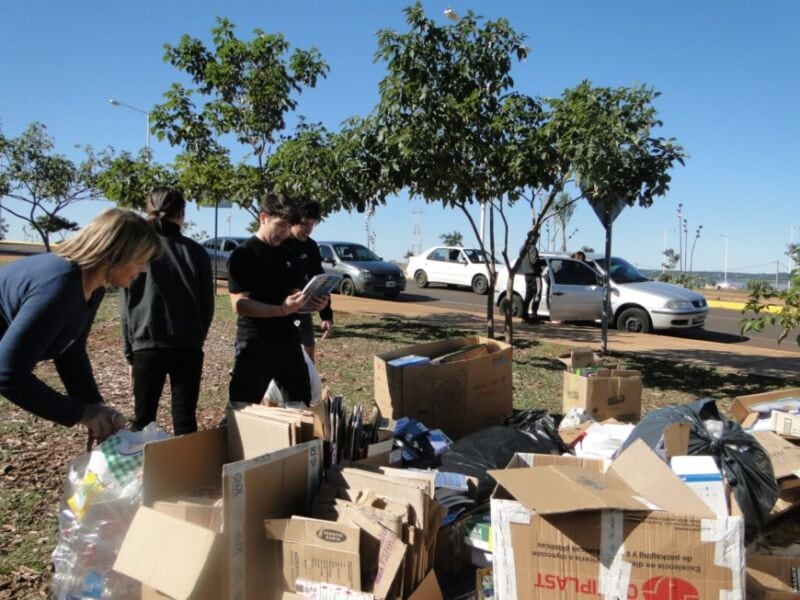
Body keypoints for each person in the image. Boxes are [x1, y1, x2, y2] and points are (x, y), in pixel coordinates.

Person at [0, 208, 162, 444]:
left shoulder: (92, 287)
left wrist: (95, 406)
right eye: (140, 260)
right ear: (116, 255)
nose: (144, 268)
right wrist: (81, 413)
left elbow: (71, 350)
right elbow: (7, 373)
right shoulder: (59, 286)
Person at [120, 187, 214, 435]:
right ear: (181, 214)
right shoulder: (196, 251)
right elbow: (207, 304)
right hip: (187, 345)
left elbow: (126, 304)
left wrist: (130, 352)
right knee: (185, 421)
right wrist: (198, 336)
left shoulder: (136, 250)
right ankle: (186, 461)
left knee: (142, 420)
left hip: (146, 344)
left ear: (147, 210)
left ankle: (139, 460)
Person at [227, 192, 329, 406]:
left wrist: (314, 303)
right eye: (280, 225)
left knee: (300, 403)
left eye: (288, 226)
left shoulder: (287, 253)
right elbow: (239, 304)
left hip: (288, 339)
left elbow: (294, 293)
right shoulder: (244, 254)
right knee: (242, 407)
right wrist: (281, 310)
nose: (284, 232)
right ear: (263, 217)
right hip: (256, 342)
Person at [282, 199, 333, 363]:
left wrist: (326, 314)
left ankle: (308, 378)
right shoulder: (278, 244)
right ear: (291, 221)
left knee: (308, 357)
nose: (308, 229)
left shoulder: (311, 246)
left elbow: (319, 278)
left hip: (302, 309)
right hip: (278, 311)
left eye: (312, 224)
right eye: (304, 224)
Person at [518, 242, 543, 323]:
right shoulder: (532, 247)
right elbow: (534, 261)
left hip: (527, 274)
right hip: (534, 274)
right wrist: (542, 262)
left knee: (528, 295)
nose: (537, 240)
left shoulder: (522, 247)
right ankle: (533, 315)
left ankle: (525, 315)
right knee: (537, 294)